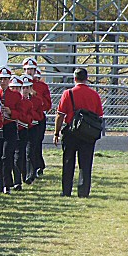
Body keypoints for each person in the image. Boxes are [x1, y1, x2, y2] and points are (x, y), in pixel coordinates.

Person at [53, 68, 104, 197]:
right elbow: (99, 115)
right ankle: (83, 191)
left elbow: (60, 114)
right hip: (88, 133)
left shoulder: (68, 93)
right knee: (85, 164)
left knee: (68, 162)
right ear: (87, 78)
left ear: (74, 78)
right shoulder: (94, 95)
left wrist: (56, 133)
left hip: (71, 131)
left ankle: (66, 191)